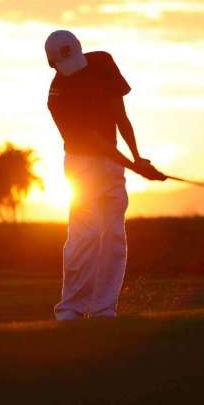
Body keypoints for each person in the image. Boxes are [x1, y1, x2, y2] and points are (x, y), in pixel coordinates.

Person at [45, 29, 166, 321]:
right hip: (81, 166)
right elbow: (94, 142)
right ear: (52, 64)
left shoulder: (102, 62)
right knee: (83, 236)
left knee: (112, 236)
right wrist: (136, 167)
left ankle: (103, 309)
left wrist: (138, 157)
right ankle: (71, 309)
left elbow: (119, 115)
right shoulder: (57, 98)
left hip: (111, 164)